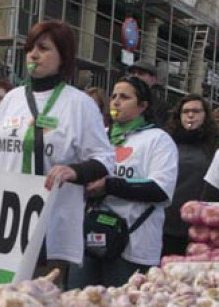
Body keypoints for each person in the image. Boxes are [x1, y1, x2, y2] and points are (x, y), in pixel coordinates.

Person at [0, 20, 115, 284]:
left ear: (63, 58)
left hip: (50, 229)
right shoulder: (12, 99)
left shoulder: (80, 104)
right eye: (29, 48)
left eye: (43, 48)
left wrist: (74, 171)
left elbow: (105, 159)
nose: (33, 55)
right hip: (5, 225)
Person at [69, 76, 178, 288]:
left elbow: (160, 190)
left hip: (133, 245)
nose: (116, 102)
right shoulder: (101, 136)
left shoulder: (158, 140)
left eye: (125, 97)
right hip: (89, 237)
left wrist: (108, 186)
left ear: (143, 106)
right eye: (114, 96)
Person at [161, 95, 219, 256]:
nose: (190, 115)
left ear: (205, 115)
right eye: (185, 111)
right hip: (167, 220)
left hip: (199, 221)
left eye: (196, 111)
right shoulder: (166, 141)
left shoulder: (217, 144)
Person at [127, 60, 168, 126]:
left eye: (141, 73)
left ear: (153, 79)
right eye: (133, 73)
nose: (135, 76)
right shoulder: (120, 100)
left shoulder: (161, 107)